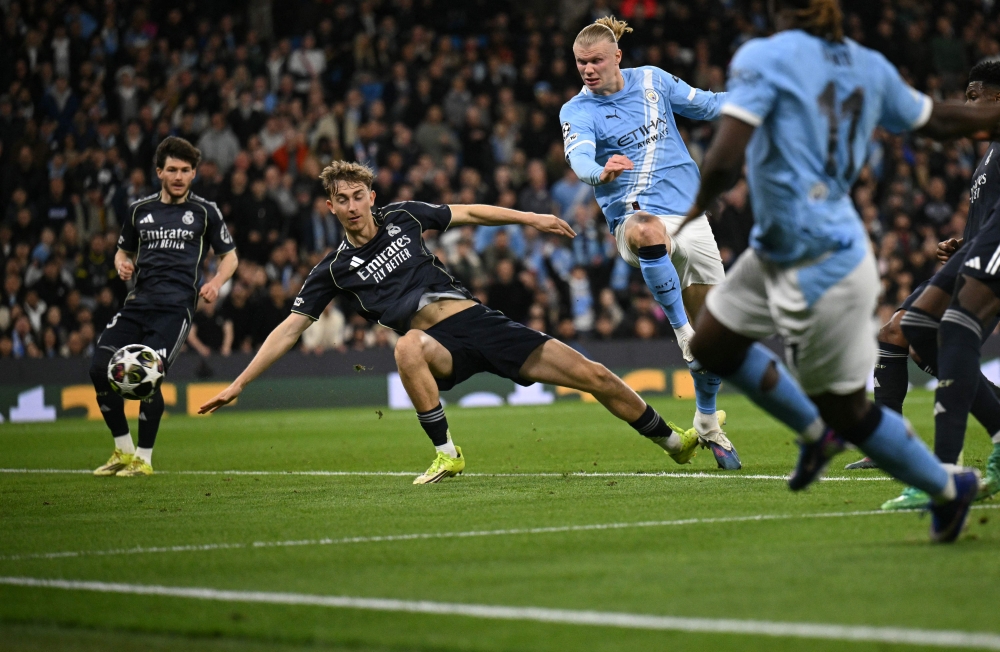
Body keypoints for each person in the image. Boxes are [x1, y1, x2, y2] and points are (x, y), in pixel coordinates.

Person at [677, 0, 1000, 542]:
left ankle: (947, 485)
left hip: (821, 253)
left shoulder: (763, 55)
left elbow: (727, 158)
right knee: (710, 343)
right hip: (780, 246)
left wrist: (694, 208)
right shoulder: (868, 65)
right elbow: (943, 121)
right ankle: (817, 432)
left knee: (850, 409)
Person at [200, 161, 704, 484]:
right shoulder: (333, 270)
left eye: (358, 196)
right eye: (342, 200)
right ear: (329, 206)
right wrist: (240, 382)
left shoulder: (406, 217)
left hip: (481, 324)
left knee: (593, 375)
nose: (352, 207)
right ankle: (447, 453)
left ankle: (673, 442)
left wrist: (530, 219)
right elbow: (290, 328)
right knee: (407, 348)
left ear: (370, 196)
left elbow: (470, 213)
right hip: (437, 346)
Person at [559, 17, 737, 469]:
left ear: (617, 55)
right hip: (632, 218)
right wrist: (600, 172)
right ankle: (682, 336)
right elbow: (579, 157)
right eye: (581, 63)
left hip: (690, 215)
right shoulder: (577, 111)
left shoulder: (655, 81)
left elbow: (710, 105)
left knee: (715, 333)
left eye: (596, 60)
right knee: (646, 229)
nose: (588, 70)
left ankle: (707, 420)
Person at [852, 63, 1000, 513]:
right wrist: (968, 241)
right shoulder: (989, 152)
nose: (968, 105)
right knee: (910, 326)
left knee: (953, 329)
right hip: (980, 244)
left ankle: (941, 473)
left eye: (975, 96)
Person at [91, 136, 239, 477]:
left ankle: (144, 458)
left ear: (193, 174)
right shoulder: (139, 210)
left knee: (149, 375)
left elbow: (229, 257)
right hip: (138, 302)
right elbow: (122, 250)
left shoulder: (205, 211)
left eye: (186, 170)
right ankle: (123, 449)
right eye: (172, 169)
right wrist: (121, 263)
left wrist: (215, 283)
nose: (178, 176)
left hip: (176, 308)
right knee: (99, 368)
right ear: (159, 172)